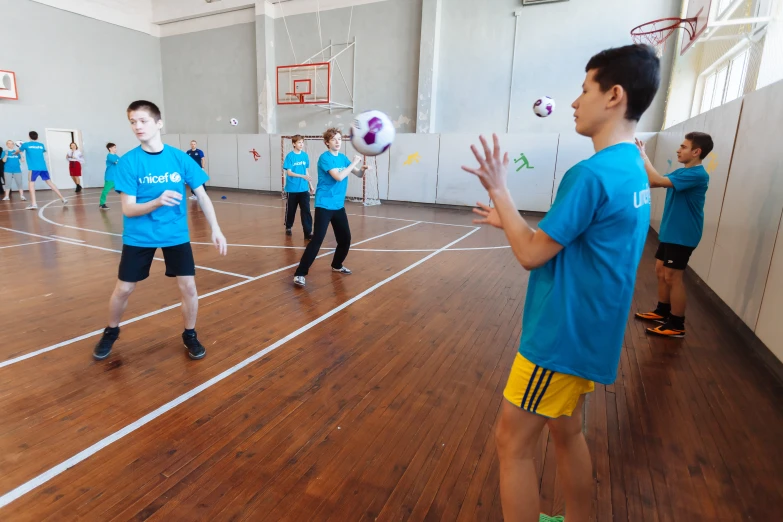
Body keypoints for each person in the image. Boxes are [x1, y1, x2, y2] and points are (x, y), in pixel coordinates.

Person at [462, 44, 660, 522]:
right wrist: (507, 218)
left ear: (614, 95)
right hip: (594, 332)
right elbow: (569, 242)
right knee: (565, 432)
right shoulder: (633, 166)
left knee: (512, 445)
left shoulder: (589, 175)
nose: (574, 102)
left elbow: (531, 254)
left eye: (584, 89)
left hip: (558, 337)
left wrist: (501, 190)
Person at [92, 100, 228, 361]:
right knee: (124, 289)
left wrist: (216, 228)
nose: (137, 126)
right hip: (138, 236)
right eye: (133, 122)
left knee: (188, 287)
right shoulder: (128, 163)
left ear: (158, 123)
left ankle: (189, 334)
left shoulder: (179, 158)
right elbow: (128, 209)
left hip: (175, 235)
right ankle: (111, 331)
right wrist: (156, 201)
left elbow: (202, 194)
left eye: (143, 121)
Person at [634, 132, 712, 338]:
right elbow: (653, 182)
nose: (679, 149)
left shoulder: (697, 174)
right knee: (661, 270)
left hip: (683, 235)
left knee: (673, 276)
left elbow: (656, 180)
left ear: (696, 152)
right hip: (671, 232)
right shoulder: (682, 172)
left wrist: (643, 156)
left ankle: (677, 324)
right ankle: (662, 311)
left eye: (683, 147)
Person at [292, 128, 367, 288]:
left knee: (345, 239)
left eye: (339, 139)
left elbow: (358, 174)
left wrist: (362, 170)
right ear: (327, 142)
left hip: (338, 205)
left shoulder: (343, 158)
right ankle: (300, 273)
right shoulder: (324, 158)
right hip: (324, 204)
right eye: (334, 139)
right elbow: (339, 177)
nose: (338, 142)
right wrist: (354, 162)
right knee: (317, 240)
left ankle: (337, 265)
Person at [19, 131, 67, 209]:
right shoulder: (41, 145)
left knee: (31, 184)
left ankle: (34, 204)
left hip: (33, 168)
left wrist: (18, 150)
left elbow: (19, 151)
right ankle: (63, 198)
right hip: (43, 167)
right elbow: (43, 151)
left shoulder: (25, 145)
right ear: (37, 137)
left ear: (29, 136)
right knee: (50, 183)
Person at [283, 134, 313, 240]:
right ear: (294, 144)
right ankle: (288, 226)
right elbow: (289, 173)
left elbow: (306, 171)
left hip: (304, 189)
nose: (301, 144)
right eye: (299, 142)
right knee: (291, 210)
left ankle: (308, 232)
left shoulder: (305, 156)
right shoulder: (290, 156)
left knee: (306, 211)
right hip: (292, 189)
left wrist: (310, 185)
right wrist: (302, 176)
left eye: (302, 142)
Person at [99, 142, 120, 210]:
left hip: (116, 177)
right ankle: (102, 204)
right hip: (110, 177)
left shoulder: (116, 155)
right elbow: (118, 162)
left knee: (124, 189)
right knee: (106, 191)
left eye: (115, 147)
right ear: (110, 148)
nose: (115, 148)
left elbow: (122, 162)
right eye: (114, 147)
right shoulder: (109, 156)